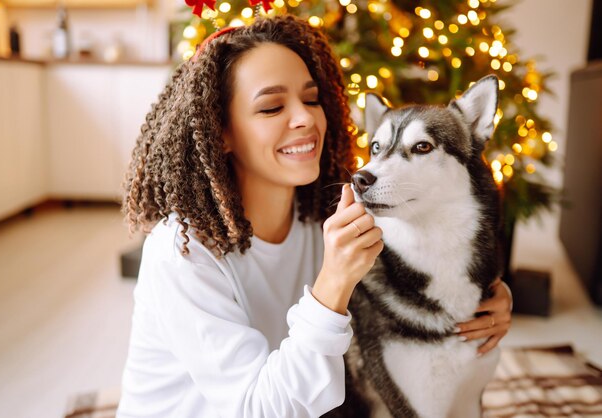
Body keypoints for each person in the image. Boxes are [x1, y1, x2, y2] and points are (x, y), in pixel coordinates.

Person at [117, 15, 512, 418]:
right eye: (271, 107)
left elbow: (436, 246)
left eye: (310, 99)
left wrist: (492, 296)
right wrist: (334, 282)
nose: (306, 118)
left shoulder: (319, 216)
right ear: (219, 131)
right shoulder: (181, 253)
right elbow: (258, 410)